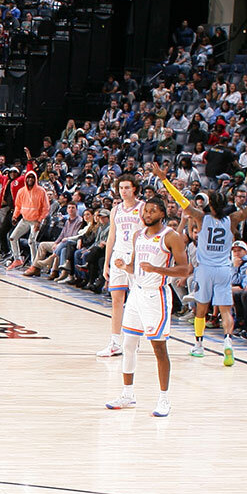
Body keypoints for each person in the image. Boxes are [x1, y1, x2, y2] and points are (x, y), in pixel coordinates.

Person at [160, 163, 247, 365]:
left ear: (210, 205)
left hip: (205, 270)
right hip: (224, 270)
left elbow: (180, 200)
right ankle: (228, 342)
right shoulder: (233, 218)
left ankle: (199, 346)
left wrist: (164, 179)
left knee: (201, 310)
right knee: (226, 310)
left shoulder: (201, 217)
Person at [105, 194, 189, 417]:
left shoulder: (171, 237)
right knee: (129, 344)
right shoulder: (138, 236)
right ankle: (128, 394)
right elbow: (137, 268)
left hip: (156, 297)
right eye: (145, 211)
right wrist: (125, 266)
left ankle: (164, 400)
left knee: (159, 348)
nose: (147, 214)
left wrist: (157, 270)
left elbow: (184, 270)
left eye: (152, 210)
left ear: (162, 213)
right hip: (136, 294)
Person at [96, 174, 143, 357]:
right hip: (118, 255)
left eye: (127, 188)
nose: (123, 191)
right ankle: (115, 342)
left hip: (135, 256)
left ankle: (133, 341)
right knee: (116, 300)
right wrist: (106, 264)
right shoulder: (116, 210)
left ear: (134, 189)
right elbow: (111, 237)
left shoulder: (142, 208)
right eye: (121, 188)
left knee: (135, 301)